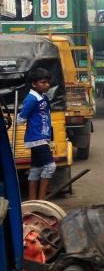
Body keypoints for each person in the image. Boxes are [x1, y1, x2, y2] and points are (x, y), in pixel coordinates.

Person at [17, 68, 55, 201]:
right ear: (34, 84)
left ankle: (33, 202)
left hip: (43, 137)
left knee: (36, 169)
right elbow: (21, 120)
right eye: (43, 82)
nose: (47, 85)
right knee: (50, 167)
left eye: (48, 82)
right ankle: (41, 201)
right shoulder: (31, 99)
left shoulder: (42, 97)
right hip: (36, 138)